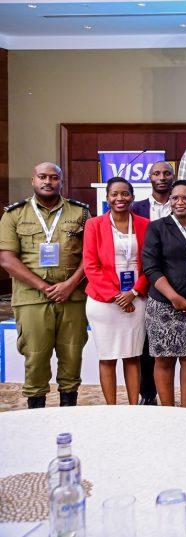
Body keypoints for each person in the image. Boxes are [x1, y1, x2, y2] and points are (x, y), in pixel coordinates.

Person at [0, 163, 91, 408]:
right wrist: (44, 287)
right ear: (33, 180)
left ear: (61, 182)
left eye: (54, 177)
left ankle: (68, 411)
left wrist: (69, 285)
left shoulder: (79, 213)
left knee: (72, 357)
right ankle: (36, 413)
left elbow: (90, 256)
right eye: (42, 177)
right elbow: (7, 259)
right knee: (36, 358)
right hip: (31, 298)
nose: (48, 182)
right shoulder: (14, 214)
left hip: (72, 298)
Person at [141, 180, 186, 408]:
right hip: (164, 305)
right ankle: (169, 412)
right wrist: (173, 297)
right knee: (164, 359)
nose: (180, 202)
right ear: (169, 201)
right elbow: (151, 267)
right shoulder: (157, 227)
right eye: (175, 198)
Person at [83, 177, 150, 405]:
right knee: (107, 357)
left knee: (133, 356)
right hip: (103, 302)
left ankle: (133, 407)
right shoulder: (94, 225)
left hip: (137, 298)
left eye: (125, 194)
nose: (119, 198)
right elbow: (91, 265)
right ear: (108, 197)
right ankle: (111, 409)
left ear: (132, 196)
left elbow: (150, 264)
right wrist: (117, 296)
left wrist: (134, 291)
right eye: (114, 194)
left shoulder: (144, 224)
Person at [130, 160, 175, 405]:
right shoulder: (135, 208)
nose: (161, 177)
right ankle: (148, 395)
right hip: (143, 283)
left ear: (173, 176)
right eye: (156, 173)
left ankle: (172, 395)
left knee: (173, 348)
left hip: (175, 283)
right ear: (149, 178)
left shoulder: (181, 203)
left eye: (166, 173)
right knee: (146, 344)